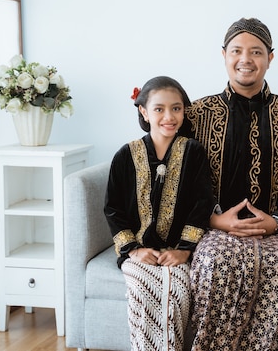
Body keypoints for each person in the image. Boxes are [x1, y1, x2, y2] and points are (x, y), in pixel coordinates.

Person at [183, 17, 278, 350]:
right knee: (215, 263)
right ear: (223, 54)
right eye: (237, 50)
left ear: (270, 57)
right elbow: (181, 180)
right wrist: (214, 219)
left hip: (275, 230)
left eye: (256, 51)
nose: (246, 59)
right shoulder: (196, 113)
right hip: (215, 229)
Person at [103, 76, 214, 351]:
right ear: (143, 111)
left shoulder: (194, 152)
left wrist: (184, 250)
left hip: (177, 250)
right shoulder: (125, 155)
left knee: (176, 291)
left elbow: (203, 204)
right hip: (138, 250)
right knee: (141, 289)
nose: (169, 116)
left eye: (176, 108)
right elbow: (113, 208)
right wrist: (133, 250)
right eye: (159, 109)